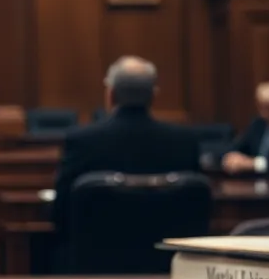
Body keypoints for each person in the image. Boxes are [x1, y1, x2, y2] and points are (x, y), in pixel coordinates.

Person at [52, 56, 201, 234]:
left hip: (97, 256)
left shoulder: (82, 141)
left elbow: (60, 213)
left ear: (111, 94)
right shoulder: (184, 142)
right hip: (166, 257)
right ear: (153, 96)